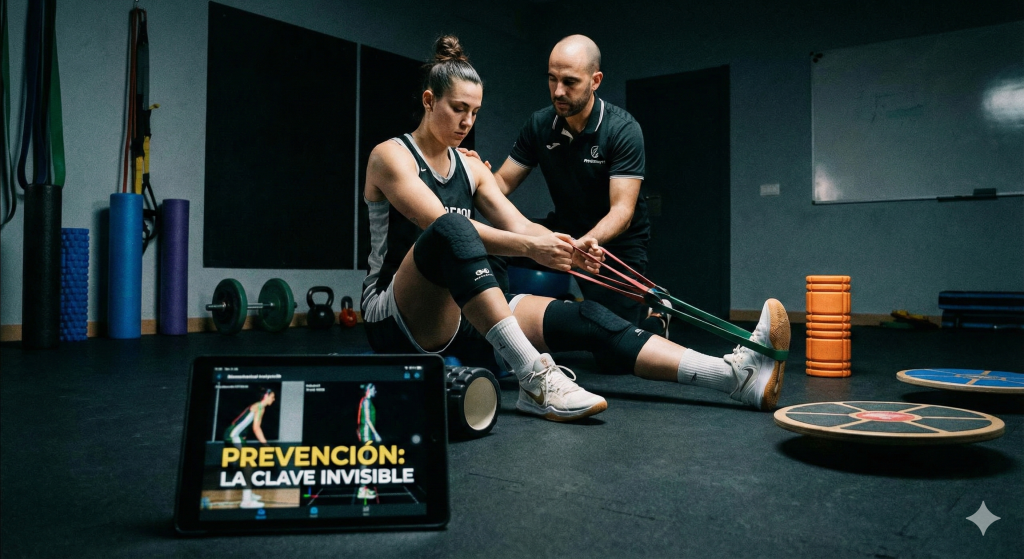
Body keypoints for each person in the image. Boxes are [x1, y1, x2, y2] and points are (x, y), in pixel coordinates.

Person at [360, 35, 790, 425]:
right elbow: (442, 226)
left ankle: (734, 376)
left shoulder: (470, 167)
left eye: (475, 112)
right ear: (429, 100)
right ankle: (534, 378)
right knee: (453, 227)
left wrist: (562, 247)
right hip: (397, 316)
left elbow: (519, 223)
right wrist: (532, 247)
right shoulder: (390, 156)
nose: (467, 122)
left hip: (464, 314)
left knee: (589, 317)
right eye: (458, 109)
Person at [487, 34, 659, 330]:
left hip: (615, 243)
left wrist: (582, 247)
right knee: (490, 247)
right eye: (552, 79)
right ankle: (503, 327)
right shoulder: (539, 125)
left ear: (596, 80)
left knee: (613, 351)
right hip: (566, 229)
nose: (557, 91)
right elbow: (501, 183)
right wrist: (472, 173)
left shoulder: (623, 130)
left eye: (570, 82)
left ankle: (655, 314)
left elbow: (622, 211)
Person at [223, 389, 275, 508]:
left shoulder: (257, 406)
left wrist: (242, 433)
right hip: (233, 436)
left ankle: (248, 494)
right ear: (266, 396)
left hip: (236, 435)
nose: (273, 399)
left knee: (248, 465)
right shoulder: (259, 407)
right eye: (272, 397)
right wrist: (266, 445)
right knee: (248, 465)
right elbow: (256, 428)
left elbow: (237, 421)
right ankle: (246, 501)